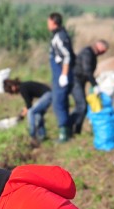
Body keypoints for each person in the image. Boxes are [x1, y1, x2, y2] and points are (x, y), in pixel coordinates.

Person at [71, 39, 109, 136]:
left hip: (80, 81)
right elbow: (87, 71)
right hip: (75, 80)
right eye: (103, 50)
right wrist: (95, 85)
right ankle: (70, 128)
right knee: (82, 105)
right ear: (99, 46)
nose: (103, 53)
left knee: (81, 106)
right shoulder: (87, 53)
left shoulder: (92, 54)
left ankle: (75, 130)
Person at [47, 12, 74, 142]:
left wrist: (63, 74)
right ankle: (67, 131)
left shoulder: (59, 37)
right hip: (59, 73)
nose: (48, 25)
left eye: (49, 22)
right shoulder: (61, 35)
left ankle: (64, 135)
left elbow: (67, 56)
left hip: (61, 74)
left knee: (58, 103)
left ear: (54, 22)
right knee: (63, 103)